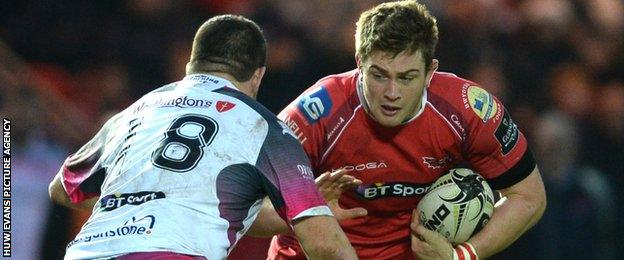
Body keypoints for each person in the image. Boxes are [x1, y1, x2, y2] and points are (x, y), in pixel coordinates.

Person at [48, 14, 357, 260]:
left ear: (190, 66)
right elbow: (326, 246)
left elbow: (62, 189)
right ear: (259, 75)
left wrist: (137, 204)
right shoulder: (266, 129)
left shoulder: (132, 113)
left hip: (86, 251)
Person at [265, 1, 547, 259]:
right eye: (379, 75)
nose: (392, 92)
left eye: (407, 77)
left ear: (430, 72)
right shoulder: (313, 115)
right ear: (359, 63)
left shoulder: (468, 110)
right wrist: (308, 208)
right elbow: (245, 210)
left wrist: (460, 256)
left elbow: (529, 197)